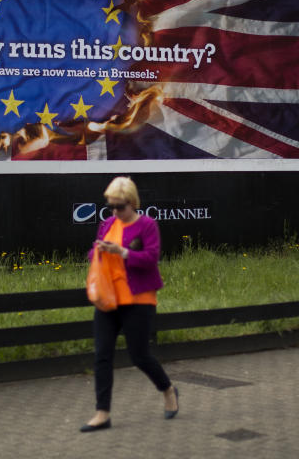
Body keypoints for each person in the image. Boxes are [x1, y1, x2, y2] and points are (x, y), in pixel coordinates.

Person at [81, 176, 178, 432]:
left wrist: (122, 252)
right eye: (111, 206)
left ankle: (168, 390)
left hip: (138, 299)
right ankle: (102, 413)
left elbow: (151, 258)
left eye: (120, 206)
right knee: (102, 355)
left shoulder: (147, 225)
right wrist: (100, 250)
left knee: (140, 356)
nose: (115, 211)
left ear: (132, 203)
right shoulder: (106, 224)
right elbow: (92, 253)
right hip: (107, 298)